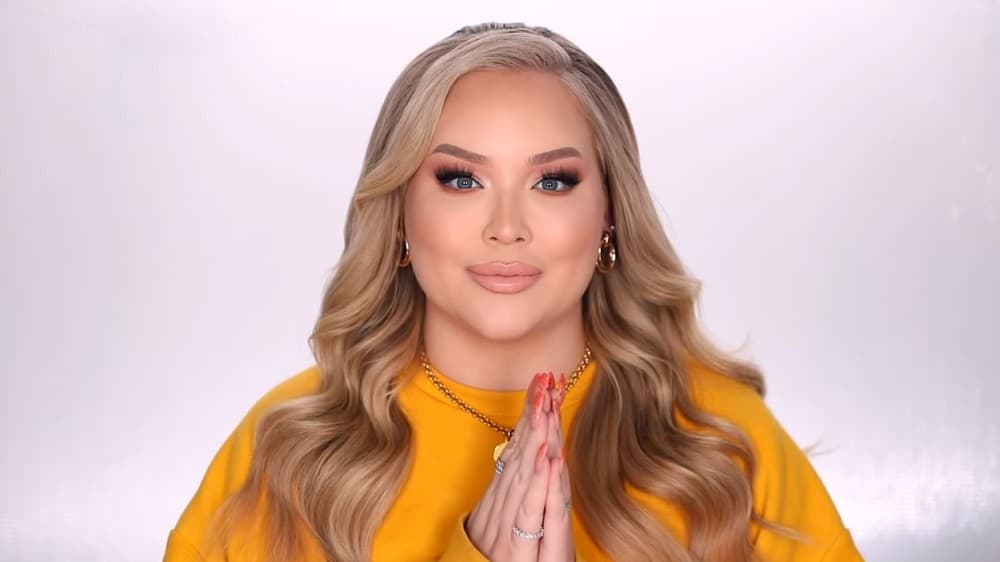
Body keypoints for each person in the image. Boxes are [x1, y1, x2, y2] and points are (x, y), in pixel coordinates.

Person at [163, 22, 863, 562]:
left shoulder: (717, 436)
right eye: (461, 180)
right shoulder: (289, 445)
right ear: (399, 212)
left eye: (552, 181)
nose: (506, 228)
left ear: (611, 213)